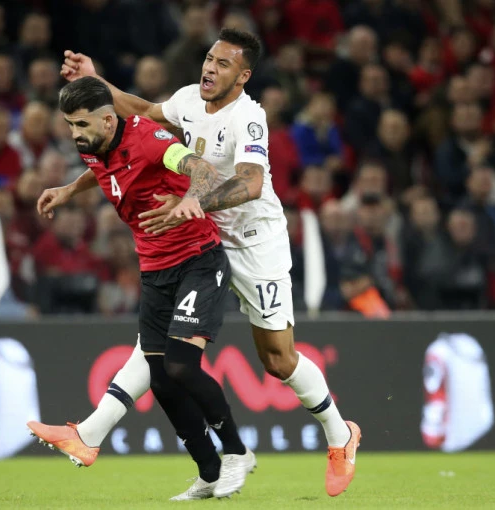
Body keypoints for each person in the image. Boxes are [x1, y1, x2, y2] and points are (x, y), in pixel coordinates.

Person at [34, 29, 361, 499]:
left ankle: (340, 434)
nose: (210, 68)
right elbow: (140, 116)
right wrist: (97, 82)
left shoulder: (248, 118)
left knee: (277, 359)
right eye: (210, 58)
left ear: (243, 76)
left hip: (253, 240)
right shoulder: (189, 98)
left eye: (224, 64)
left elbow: (251, 183)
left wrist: (196, 200)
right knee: (158, 353)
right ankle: (91, 434)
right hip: (195, 237)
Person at [27, 76, 255, 499]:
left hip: (198, 261)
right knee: (162, 380)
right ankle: (209, 472)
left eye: (81, 124)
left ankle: (238, 453)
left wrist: (191, 199)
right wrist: (69, 189)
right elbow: (104, 170)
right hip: (154, 271)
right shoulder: (95, 145)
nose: (75, 133)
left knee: (181, 366)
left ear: (108, 120)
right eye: (70, 124)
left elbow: (202, 169)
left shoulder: (150, 139)